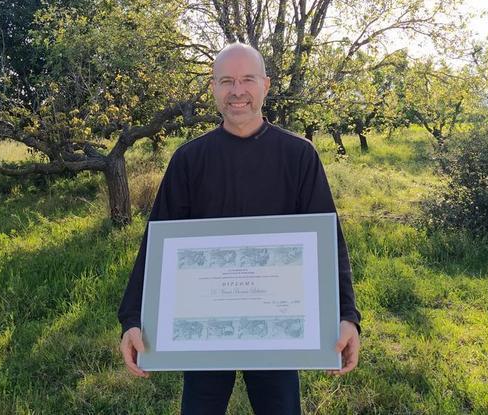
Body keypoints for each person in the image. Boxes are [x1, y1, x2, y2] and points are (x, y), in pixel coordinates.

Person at [117, 42, 361, 414]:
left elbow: (328, 242)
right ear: (213, 88)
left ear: (265, 85)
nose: (238, 91)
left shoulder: (299, 155)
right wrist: (133, 319)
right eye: (226, 81)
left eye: (247, 79)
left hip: (278, 328)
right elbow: (158, 243)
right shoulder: (189, 160)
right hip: (204, 328)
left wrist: (346, 316)